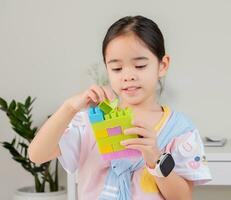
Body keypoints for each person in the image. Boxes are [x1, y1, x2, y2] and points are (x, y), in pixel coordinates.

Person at [28, 15, 211, 200]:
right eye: (116, 68)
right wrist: (69, 108)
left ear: (162, 65)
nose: (128, 75)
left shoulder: (180, 130)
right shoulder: (92, 121)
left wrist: (156, 158)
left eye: (140, 65)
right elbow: (37, 155)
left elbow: (182, 197)